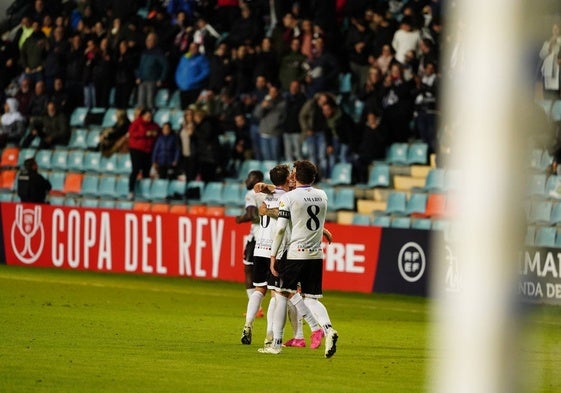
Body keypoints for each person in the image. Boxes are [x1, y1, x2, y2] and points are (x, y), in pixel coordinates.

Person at [259, 160, 338, 358]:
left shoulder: (290, 198)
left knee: (282, 295)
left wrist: (273, 256)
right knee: (311, 299)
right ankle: (328, 330)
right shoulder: (322, 195)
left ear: (298, 175)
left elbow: (280, 230)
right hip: (316, 254)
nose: (292, 174)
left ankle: (276, 344)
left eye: (294, 171)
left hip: (295, 253)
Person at [241, 164, 290, 346]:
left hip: (259, 246)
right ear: (287, 179)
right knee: (276, 294)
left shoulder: (263, 196)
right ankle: (270, 334)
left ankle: (248, 325)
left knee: (259, 289)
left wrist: (264, 186)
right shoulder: (289, 198)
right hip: (276, 250)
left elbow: (268, 192)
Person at [235, 170, 265, 320]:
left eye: (250, 177)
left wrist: (240, 218)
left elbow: (251, 214)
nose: (247, 180)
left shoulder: (251, 194)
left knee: (248, 269)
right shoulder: (268, 193)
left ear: (257, 179)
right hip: (268, 236)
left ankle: (256, 308)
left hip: (256, 236)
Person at [127, 109, 161, 199]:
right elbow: (132, 133)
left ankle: (145, 191)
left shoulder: (154, 125)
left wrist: (155, 133)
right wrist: (145, 133)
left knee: (147, 171)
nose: (149, 118)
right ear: (143, 116)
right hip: (136, 149)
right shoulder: (136, 123)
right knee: (136, 169)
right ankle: (131, 190)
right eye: (148, 116)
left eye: (150, 116)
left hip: (148, 150)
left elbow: (159, 131)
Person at [252, 84, 286, 162]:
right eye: (271, 92)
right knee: (266, 157)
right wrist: (262, 106)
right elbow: (257, 115)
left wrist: (276, 125)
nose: (272, 93)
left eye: (274, 92)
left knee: (275, 157)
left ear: (277, 93)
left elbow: (282, 117)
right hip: (264, 133)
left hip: (275, 133)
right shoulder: (264, 102)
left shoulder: (282, 103)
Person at [135, 32, 168, 110]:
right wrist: (138, 76)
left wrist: (161, 79)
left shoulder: (159, 53)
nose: (148, 42)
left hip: (152, 81)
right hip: (142, 81)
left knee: (150, 102)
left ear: (155, 41)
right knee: (141, 103)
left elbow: (165, 67)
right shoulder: (144, 52)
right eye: (147, 40)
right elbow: (139, 66)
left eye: (150, 40)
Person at [175, 42, 210, 110]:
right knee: (184, 109)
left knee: (193, 108)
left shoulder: (202, 59)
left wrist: (195, 80)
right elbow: (179, 70)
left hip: (194, 88)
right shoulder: (184, 58)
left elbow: (206, 71)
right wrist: (179, 81)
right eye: (191, 47)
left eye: (194, 48)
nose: (192, 49)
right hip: (183, 88)